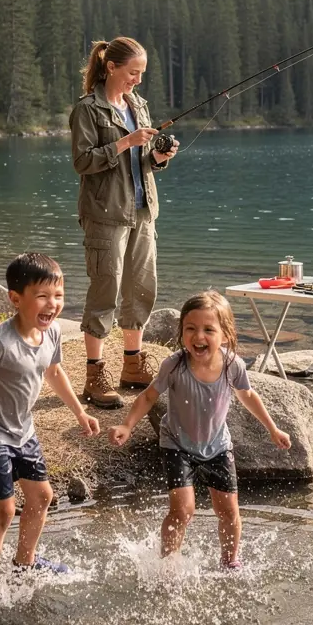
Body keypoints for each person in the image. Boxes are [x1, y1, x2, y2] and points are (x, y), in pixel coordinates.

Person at [108, 290, 291, 569]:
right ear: (181, 332)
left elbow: (249, 396)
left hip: (217, 446)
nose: (198, 337)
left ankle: (230, 561)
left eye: (208, 329)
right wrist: (127, 425)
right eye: (190, 329)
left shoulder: (233, 365)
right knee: (183, 510)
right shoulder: (175, 365)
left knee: (229, 511)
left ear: (225, 335)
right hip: (177, 445)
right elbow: (148, 396)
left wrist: (273, 429)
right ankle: (169, 562)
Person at [0, 252, 101, 583]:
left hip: (23, 432)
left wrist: (79, 412)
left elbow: (54, 371)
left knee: (42, 496)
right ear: (16, 299)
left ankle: (24, 562)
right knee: (2, 511)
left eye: (58, 295)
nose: (53, 304)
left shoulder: (53, 332)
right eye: (43, 296)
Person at [69, 36, 180, 410]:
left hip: (144, 212)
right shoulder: (88, 110)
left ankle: (132, 366)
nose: (137, 80)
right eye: (133, 72)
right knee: (106, 290)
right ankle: (94, 374)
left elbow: (144, 161)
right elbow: (83, 162)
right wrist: (124, 143)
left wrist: (160, 156)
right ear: (111, 67)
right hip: (105, 215)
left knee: (141, 288)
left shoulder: (139, 105)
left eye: (142, 73)